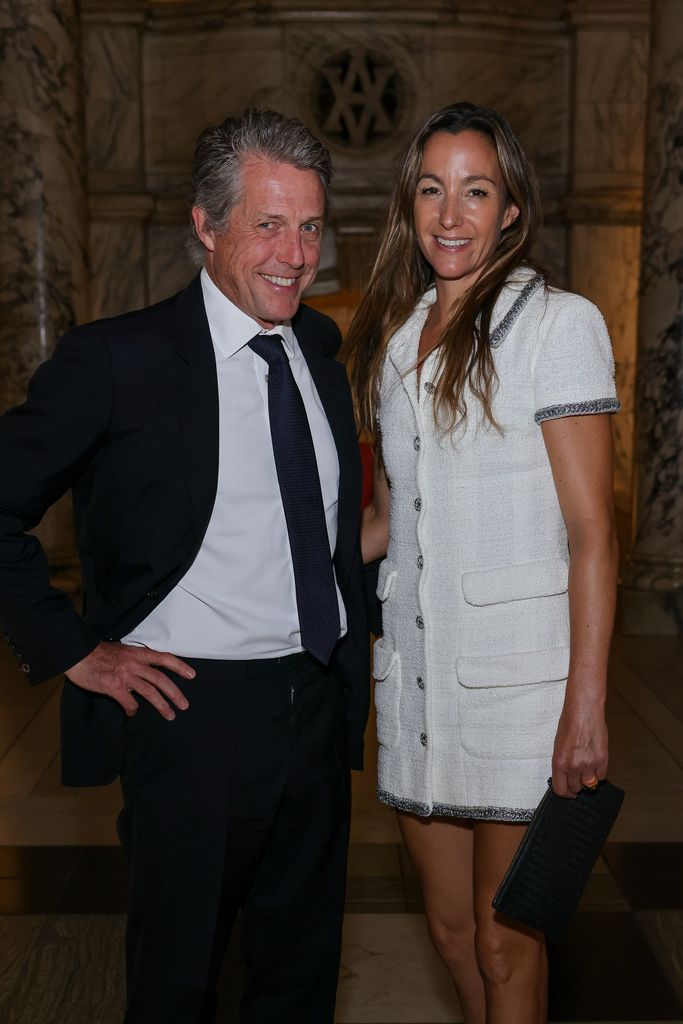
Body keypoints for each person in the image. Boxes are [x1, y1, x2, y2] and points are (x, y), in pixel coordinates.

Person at [0, 108, 369, 1024]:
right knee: (178, 982)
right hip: (190, 717)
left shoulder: (320, 352)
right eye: (268, 224)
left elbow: (315, 532)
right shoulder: (115, 360)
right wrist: (74, 647)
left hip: (316, 707)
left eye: (311, 226)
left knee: (298, 978)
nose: (296, 254)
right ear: (205, 227)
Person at [341, 101, 619, 1024]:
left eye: (474, 191)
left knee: (508, 937)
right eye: (431, 190)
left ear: (509, 208)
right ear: (408, 204)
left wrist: (584, 708)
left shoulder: (558, 325)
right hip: (418, 681)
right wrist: (285, 561)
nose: (449, 215)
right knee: (451, 930)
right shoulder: (396, 337)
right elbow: (389, 517)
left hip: (521, 692)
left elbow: (591, 532)